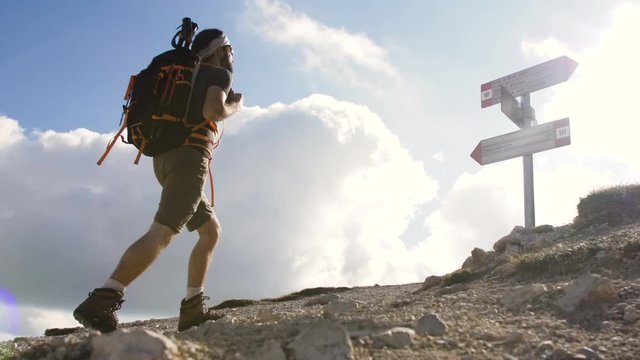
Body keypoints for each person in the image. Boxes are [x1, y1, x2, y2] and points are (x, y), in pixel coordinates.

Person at [73, 29, 243, 333]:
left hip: (164, 159)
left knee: (209, 231)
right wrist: (234, 106)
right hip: (190, 158)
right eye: (231, 49)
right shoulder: (217, 72)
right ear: (220, 50)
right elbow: (213, 111)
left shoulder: (186, 74)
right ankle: (104, 297)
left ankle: (192, 308)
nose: (232, 56)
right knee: (162, 232)